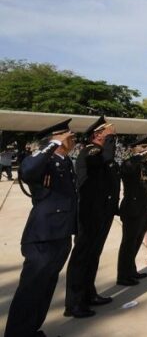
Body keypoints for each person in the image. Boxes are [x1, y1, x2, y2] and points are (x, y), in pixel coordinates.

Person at [5, 120, 77, 337]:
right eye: (68, 136)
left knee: (46, 288)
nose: (73, 139)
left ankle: (32, 329)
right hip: (43, 236)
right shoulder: (43, 160)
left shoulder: (64, 161)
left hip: (61, 233)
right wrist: (53, 143)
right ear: (58, 139)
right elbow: (27, 170)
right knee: (31, 289)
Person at [65, 116, 120, 318]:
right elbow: (107, 158)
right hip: (88, 213)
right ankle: (74, 303)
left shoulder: (99, 152)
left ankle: (89, 294)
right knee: (82, 257)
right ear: (97, 135)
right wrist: (110, 138)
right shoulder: (91, 151)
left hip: (100, 211)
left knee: (92, 256)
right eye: (106, 131)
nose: (112, 133)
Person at [117, 136, 147, 286]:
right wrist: (140, 155)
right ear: (134, 149)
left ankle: (131, 271)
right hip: (132, 208)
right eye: (142, 146)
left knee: (137, 242)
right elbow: (128, 168)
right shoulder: (129, 163)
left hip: (144, 208)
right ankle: (123, 276)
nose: (146, 149)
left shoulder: (146, 164)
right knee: (128, 243)